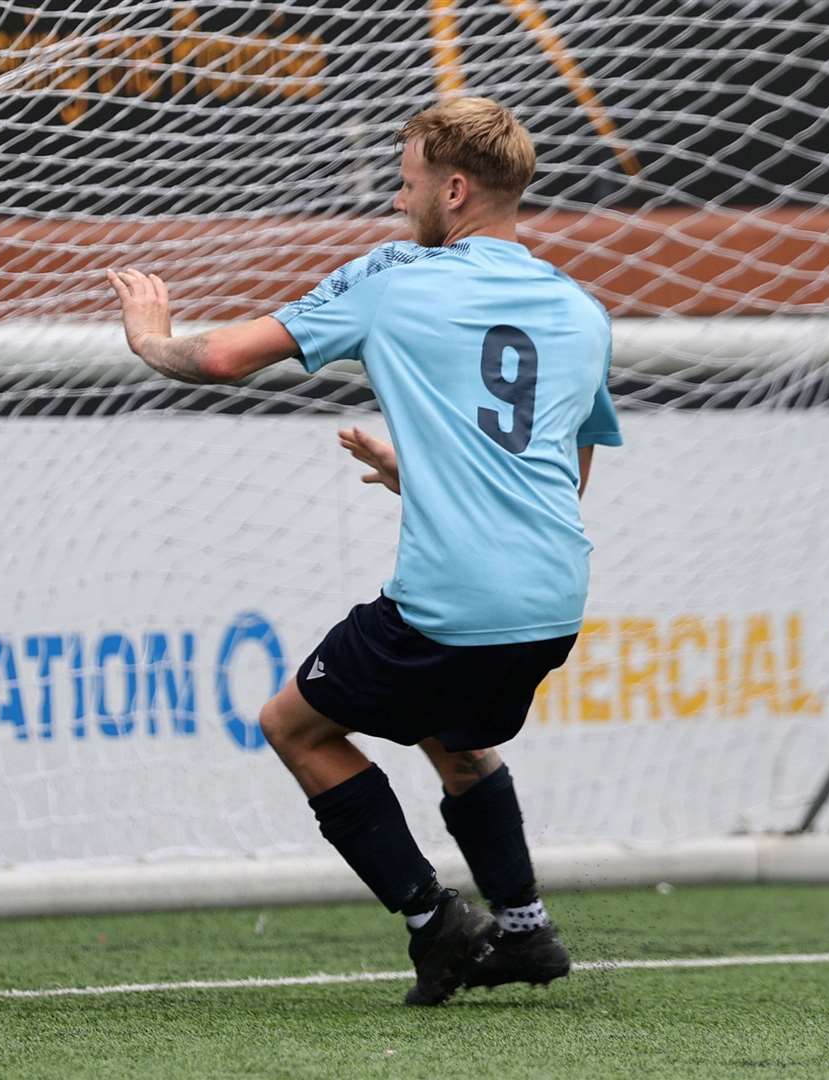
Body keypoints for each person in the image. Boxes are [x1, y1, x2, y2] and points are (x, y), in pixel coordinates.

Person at [107, 96, 621, 1006]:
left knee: (291, 725)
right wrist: (420, 473)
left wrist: (150, 336)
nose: (396, 200)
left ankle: (434, 920)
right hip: (551, 602)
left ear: (453, 190)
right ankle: (525, 928)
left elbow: (223, 359)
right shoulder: (580, 312)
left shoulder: (396, 275)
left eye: (406, 181)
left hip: (453, 600)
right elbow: (557, 477)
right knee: (451, 731)